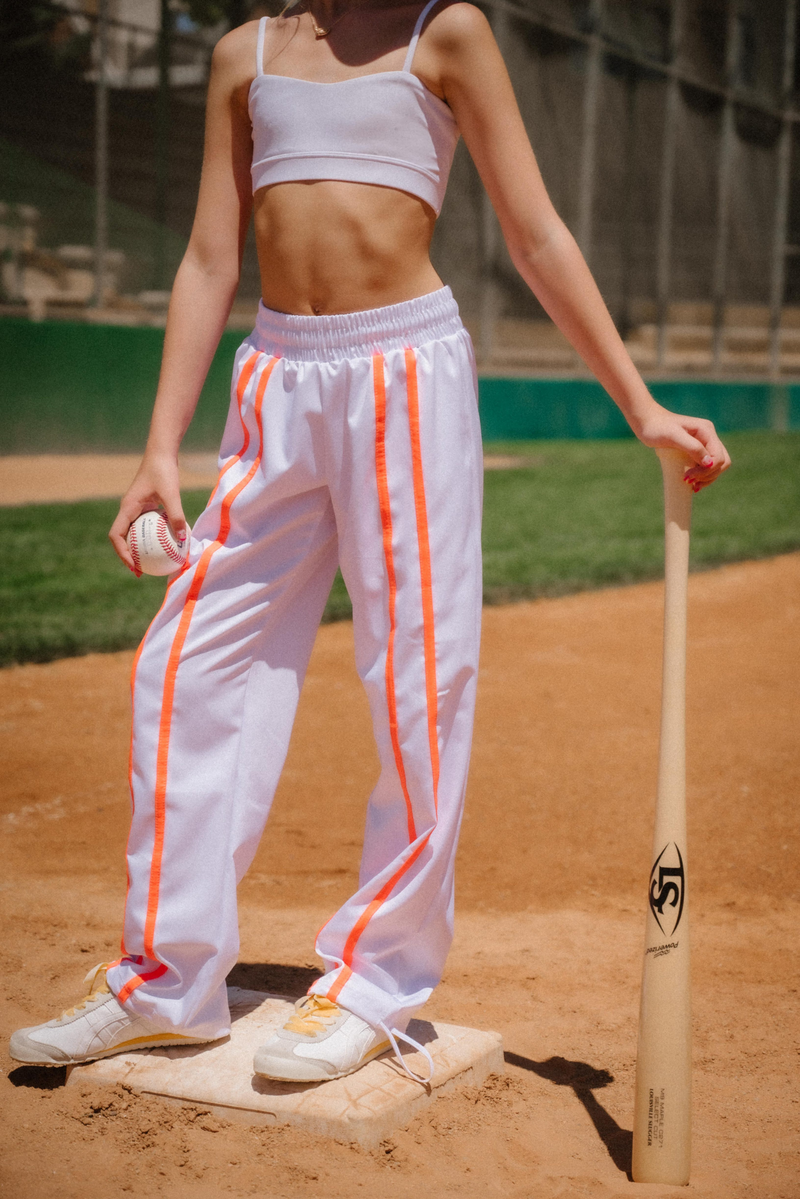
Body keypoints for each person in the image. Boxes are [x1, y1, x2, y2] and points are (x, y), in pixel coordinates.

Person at [11, 0, 729, 1084]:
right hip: (274, 378)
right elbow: (209, 257)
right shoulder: (243, 54)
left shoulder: (446, 34)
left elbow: (536, 232)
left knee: (418, 678)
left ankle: (375, 979)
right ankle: (165, 980)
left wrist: (640, 407)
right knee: (185, 665)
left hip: (404, 371)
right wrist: (159, 446)